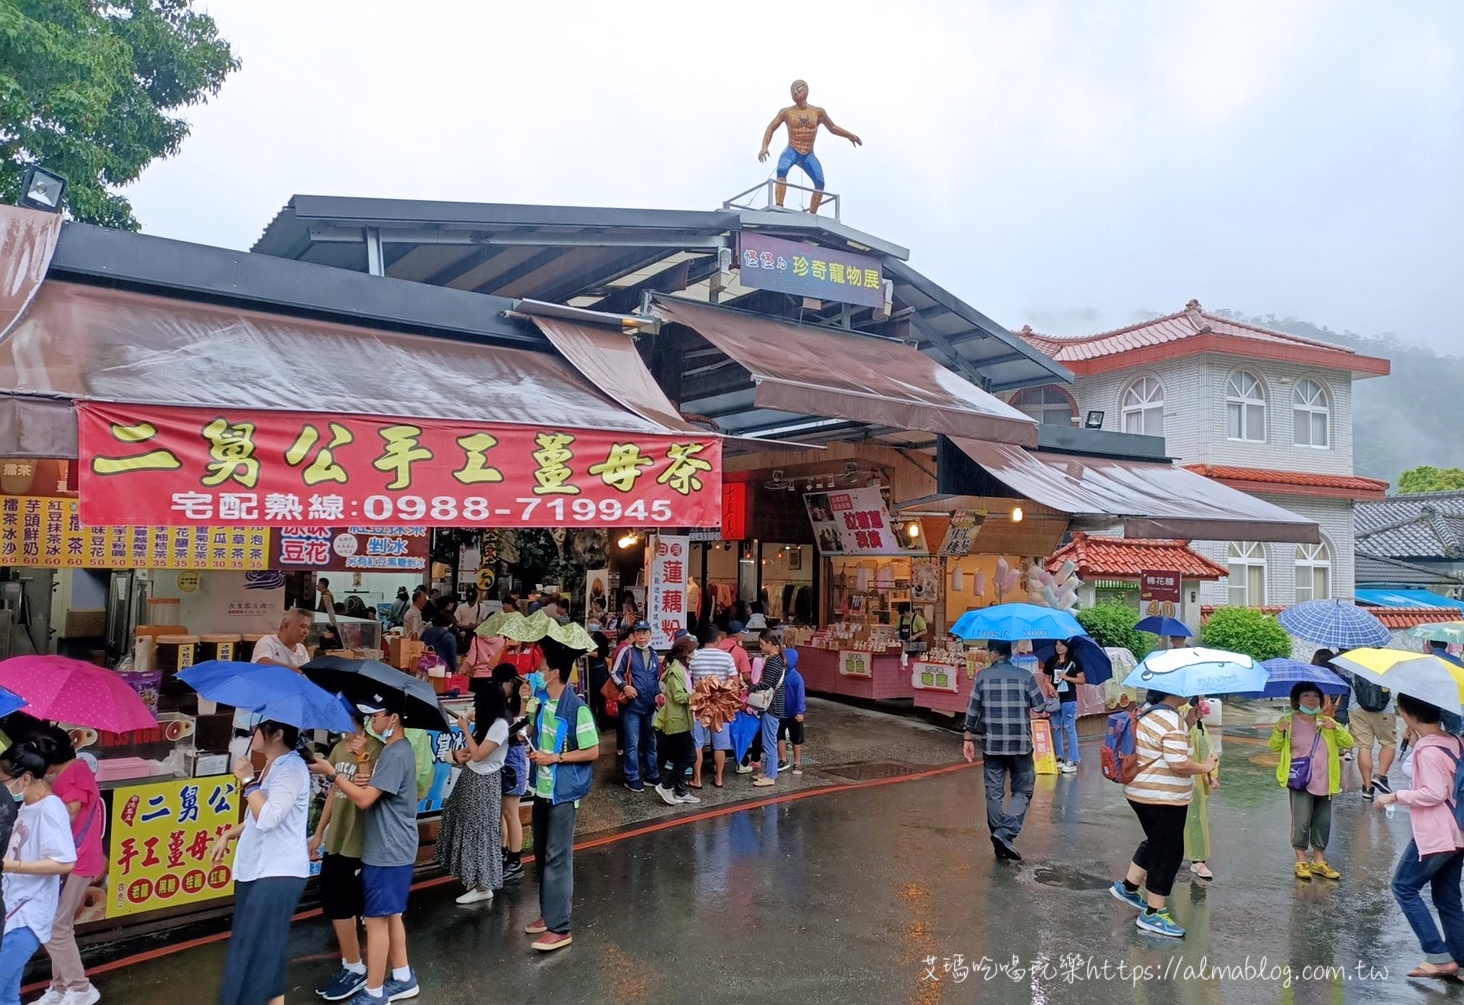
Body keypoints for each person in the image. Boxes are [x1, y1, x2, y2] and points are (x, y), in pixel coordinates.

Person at [310, 699, 419, 1003]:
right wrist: (361, 759)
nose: (372, 721)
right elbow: (367, 784)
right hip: (391, 846)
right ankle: (402, 976)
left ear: (394, 717)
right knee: (391, 915)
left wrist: (333, 774)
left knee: (376, 921)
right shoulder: (394, 750)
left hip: (388, 847)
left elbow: (364, 799)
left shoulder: (395, 753)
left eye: (378, 715)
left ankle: (373, 992)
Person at [211, 721, 311, 1005]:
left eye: (255, 730)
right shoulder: (274, 765)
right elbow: (260, 814)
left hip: (276, 873)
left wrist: (247, 780)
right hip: (261, 870)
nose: (250, 736)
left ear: (277, 734)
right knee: (267, 954)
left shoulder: (291, 769)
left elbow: (269, 817)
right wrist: (230, 832)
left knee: (253, 956)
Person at [1109, 689, 1218, 939]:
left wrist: (1188, 722)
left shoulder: (1149, 712)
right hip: (1161, 796)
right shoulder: (1170, 719)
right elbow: (1178, 762)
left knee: (1157, 842)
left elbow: (1161, 746)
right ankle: (1153, 913)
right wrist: (1205, 767)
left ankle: (1128, 887)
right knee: (1168, 851)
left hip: (1140, 791)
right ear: (1177, 693)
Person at [1376, 693, 1464, 978]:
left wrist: (1393, 796)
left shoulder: (1428, 750)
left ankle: (1438, 955)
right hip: (1458, 831)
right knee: (1447, 897)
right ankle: (1461, 962)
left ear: (1408, 715)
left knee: (1403, 886)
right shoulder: (1454, 741)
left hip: (1436, 834)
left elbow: (1433, 792)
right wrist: (1416, 745)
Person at [525, 636, 601, 952]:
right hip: (542, 791)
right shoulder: (543, 702)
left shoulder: (577, 708)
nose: (537, 670)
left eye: (541, 666)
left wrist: (554, 758)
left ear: (554, 672)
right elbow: (532, 732)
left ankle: (560, 927)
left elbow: (593, 750)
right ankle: (548, 913)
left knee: (557, 857)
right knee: (542, 853)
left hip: (564, 792)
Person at [961, 640, 1058, 861]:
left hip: (993, 744)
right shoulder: (1025, 676)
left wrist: (968, 737)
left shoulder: (982, 677)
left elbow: (973, 709)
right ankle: (1005, 833)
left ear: (994, 653)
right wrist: (1051, 694)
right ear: (1011, 652)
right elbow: (1040, 706)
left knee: (993, 792)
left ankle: (999, 838)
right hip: (1020, 744)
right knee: (1023, 790)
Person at [309, 712, 382, 1002]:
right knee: (333, 901)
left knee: (343, 904)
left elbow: (367, 794)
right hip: (336, 838)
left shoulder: (377, 749)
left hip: (358, 838)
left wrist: (362, 755)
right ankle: (349, 964)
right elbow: (334, 791)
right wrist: (319, 832)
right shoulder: (338, 748)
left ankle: (355, 967)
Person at [33, 727, 103, 1005]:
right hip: (71, 858)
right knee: (59, 925)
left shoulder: (75, 772)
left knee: (55, 926)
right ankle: (61, 988)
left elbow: (71, 811)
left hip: (77, 859)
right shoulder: (74, 769)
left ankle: (80, 987)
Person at [0, 742, 74, 1005]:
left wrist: (10, 866)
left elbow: (65, 862)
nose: (3, 787)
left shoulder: (50, 809)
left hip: (28, 916)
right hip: (13, 908)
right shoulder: (28, 806)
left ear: (26, 778)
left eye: (5, 781)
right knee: (6, 993)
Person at [1269, 683, 1353, 881]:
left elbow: (1348, 743)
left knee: (1323, 822)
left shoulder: (1327, 722)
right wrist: (1279, 732)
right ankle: (1300, 859)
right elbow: (1274, 746)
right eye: (1306, 695)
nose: (1312, 699)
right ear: (1297, 699)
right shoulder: (1287, 721)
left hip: (1325, 780)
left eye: (1315, 695)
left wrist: (1337, 728)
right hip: (1300, 779)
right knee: (1302, 821)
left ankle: (1318, 860)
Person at [437, 677, 510, 905]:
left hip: (483, 785)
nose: (476, 708)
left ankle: (482, 885)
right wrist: (459, 752)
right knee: (467, 828)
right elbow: (472, 752)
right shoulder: (490, 724)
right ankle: (473, 879)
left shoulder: (500, 725)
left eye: (479, 703)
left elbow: (479, 755)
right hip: (472, 781)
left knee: (479, 833)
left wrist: (465, 730)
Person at [757, 79, 862, 213]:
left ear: (806, 90)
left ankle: (813, 213)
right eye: (792, 91)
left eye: (799, 89)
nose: (795, 93)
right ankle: (779, 205)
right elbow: (771, 127)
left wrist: (850, 135)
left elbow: (833, 128)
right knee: (782, 169)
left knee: (820, 181)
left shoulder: (817, 112)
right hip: (792, 149)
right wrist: (764, 146)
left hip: (808, 153)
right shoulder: (786, 112)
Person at [237, 609, 313, 742]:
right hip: (257, 712)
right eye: (302, 626)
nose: (305, 631)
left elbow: (306, 678)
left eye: (308, 627)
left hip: (283, 712)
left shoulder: (301, 650)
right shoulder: (267, 642)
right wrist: (294, 669)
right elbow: (262, 662)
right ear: (285, 625)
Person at [610, 621, 661, 793]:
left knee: (650, 742)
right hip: (631, 706)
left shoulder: (653, 654)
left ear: (650, 635)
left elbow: (655, 679)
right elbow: (614, 673)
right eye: (638, 633)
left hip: (649, 706)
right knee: (632, 743)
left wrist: (659, 694)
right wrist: (625, 686)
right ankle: (632, 777)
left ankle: (652, 775)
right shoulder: (627, 651)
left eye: (645, 633)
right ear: (633, 635)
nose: (642, 636)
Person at [688, 624, 739, 789]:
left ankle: (697, 779)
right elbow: (735, 683)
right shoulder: (727, 657)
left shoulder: (693, 657)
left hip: (699, 705)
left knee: (697, 744)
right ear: (718, 639)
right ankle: (718, 778)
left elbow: (688, 682)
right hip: (720, 706)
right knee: (720, 745)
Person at [492, 664, 530, 883]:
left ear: (510, 683)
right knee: (501, 811)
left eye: (501, 684)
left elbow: (522, 734)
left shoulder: (520, 704)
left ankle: (515, 861)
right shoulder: (502, 703)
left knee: (510, 812)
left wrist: (524, 702)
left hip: (513, 760)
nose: (499, 688)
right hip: (501, 759)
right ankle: (503, 851)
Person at [654, 635, 700, 806]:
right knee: (690, 757)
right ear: (684, 653)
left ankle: (680, 792)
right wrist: (697, 695)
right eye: (692, 651)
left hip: (682, 719)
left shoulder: (683, 669)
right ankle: (666, 785)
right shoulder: (675, 672)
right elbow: (679, 696)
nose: (694, 654)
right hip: (676, 721)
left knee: (681, 757)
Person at [1346, 656, 1396, 801]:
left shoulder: (1352, 661)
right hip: (1384, 710)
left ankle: (1367, 787)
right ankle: (1380, 776)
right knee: (1388, 743)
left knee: (1364, 747)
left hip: (1357, 708)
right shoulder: (1386, 662)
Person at [748, 630, 789, 788]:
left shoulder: (773, 661)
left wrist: (751, 688)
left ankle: (771, 775)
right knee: (769, 741)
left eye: (762, 643)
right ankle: (769, 772)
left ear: (770, 643)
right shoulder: (778, 659)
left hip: (772, 706)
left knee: (769, 742)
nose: (760, 646)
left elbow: (767, 684)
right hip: (775, 705)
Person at [1181, 699, 1216, 881]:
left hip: (1191, 776)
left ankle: (1198, 860)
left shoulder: (1191, 712)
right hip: (1163, 779)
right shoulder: (1158, 713)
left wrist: (1209, 772)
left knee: (1195, 816)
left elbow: (1204, 745)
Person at [1043, 638, 1086, 774]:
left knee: (1070, 728)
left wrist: (1067, 678)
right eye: (1057, 644)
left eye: (1061, 645)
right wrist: (1049, 686)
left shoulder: (1074, 662)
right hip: (1055, 698)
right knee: (1056, 728)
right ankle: (1059, 757)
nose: (1058, 647)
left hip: (1069, 698)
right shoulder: (1051, 661)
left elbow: (1082, 680)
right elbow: (1046, 678)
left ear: (1067, 647)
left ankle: (1073, 759)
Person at [777, 648, 807, 776]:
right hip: (783, 711)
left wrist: (800, 711)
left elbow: (800, 696)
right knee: (782, 736)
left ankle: (796, 762)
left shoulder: (795, 678)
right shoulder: (787, 675)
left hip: (791, 712)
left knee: (794, 738)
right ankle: (784, 759)